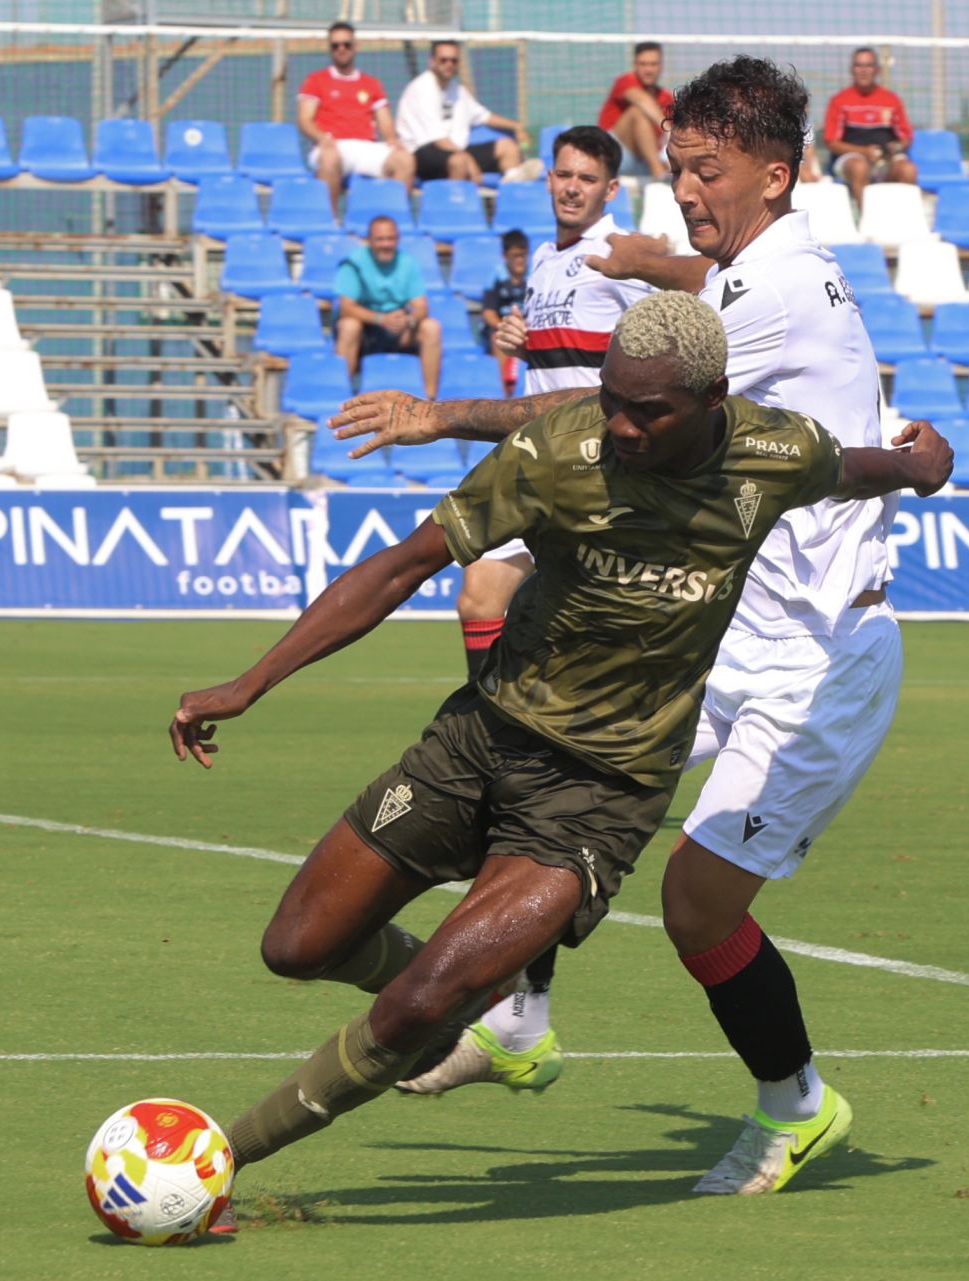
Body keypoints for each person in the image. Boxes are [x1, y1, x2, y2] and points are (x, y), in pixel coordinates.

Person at [171, 291, 952, 1230]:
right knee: (297, 946)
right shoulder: (557, 453)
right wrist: (249, 683)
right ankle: (475, 977)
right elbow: (403, 564)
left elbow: (856, 468)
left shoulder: (771, 451)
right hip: (479, 742)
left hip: (600, 797)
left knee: (422, 1002)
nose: (620, 424)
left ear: (712, 398)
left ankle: (220, 1157)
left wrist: (921, 467)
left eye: (647, 410)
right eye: (612, 397)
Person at [335, 55, 921, 1197]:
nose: (688, 191)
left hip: (818, 654)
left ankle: (798, 1106)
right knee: (549, 781)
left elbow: (615, 404)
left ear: (776, 173)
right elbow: (696, 285)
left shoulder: (775, 289)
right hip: (738, 631)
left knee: (694, 901)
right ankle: (517, 1016)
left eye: (706, 173)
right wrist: (666, 252)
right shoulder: (759, 264)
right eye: (677, 169)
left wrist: (441, 412)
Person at [466, 125, 652, 686]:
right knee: (479, 597)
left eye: (588, 179)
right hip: (536, 459)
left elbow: (672, 334)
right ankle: (484, 730)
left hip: (595, 466)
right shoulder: (545, 258)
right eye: (565, 175)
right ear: (549, 179)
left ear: (611, 190)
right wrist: (518, 343)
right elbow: (561, 350)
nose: (573, 188)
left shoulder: (622, 254)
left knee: (590, 634)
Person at [298, 20, 415, 208]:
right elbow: (305, 120)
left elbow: (384, 119)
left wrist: (392, 139)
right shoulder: (315, 80)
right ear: (330, 48)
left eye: (347, 44)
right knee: (329, 158)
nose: (341, 49)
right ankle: (330, 223)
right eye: (335, 45)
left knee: (405, 160)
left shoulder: (371, 83)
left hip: (365, 147)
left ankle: (393, 221)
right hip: (332, 146)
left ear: (356, 46)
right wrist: (322, 138)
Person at [395, 40, 534, 185]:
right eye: (443, 60)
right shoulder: (422, 88)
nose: (449, 64)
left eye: (454, 61)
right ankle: (456, 204)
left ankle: (512, 184)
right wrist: (469, 161)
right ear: (432, 62)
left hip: (455, 150)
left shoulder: (458, 90)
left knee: (508, 147)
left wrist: (516, 126)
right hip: (421, 154)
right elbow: (438, 139)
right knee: (459, 161)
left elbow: (484, 116)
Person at [335, 215, 441, 400]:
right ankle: (341, 395)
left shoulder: (408, 263)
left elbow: (421, 306)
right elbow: (346, 307)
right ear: (369, 241)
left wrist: (408, 320)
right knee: (348, 325)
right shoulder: (353, 264)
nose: (386, 244)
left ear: (398, 240)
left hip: (399, 328)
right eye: (380, 239)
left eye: (390, 239)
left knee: (431, 327)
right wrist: (381, 319)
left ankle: (429, 398)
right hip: (366, 330)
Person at [822, 47, 917, 204]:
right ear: (852, 69)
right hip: (852, 159)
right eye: (859, 65)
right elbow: (831, 142)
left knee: (908, 170)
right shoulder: (839, 101)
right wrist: (864, 152)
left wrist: (895, 148)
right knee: (860, 167)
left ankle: (903, 220)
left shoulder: (891, 100)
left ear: (877, 70)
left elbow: (906, 137)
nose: (863, 71)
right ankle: (867, 220)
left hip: (885, 161)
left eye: (869, 66)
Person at [598, 42, 674, 180]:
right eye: (643, 64)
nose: (648, 70)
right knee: (638, 113)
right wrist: (667, 128)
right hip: (613, 154)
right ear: (635, 65)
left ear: (661, 66)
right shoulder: (626, 81)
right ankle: (658, 174)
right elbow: (639, 98)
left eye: (653, 64)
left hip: (646, 159)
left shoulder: (666, 97)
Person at [478, 229, 529, 390]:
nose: (520, 260)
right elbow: (488, 313)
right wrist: (505, 327)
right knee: (498, 338)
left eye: (523, 255)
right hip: (501, 326)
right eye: (515, 256)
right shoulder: (496, 276)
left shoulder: (535, 275)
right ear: (505, 256)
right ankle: (504, 390)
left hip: (526, 327)